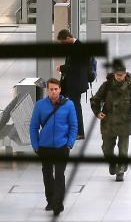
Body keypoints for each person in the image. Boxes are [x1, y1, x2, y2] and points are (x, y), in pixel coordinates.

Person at [89, 62, 131, 182]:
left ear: (125, 74)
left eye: (121, 75)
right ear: (114, 74)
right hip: (108, 122)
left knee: (123, 149)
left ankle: (121, 170)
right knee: (107, 149)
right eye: (117, 75)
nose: (119, 77)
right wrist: (97, 112)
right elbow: (95, 99)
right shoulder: (106, 85)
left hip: (124, 121)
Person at [29, 78, 77, 215]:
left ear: (60, 89)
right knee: (48, 174)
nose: (54, 91)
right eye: (51, 89)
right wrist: (36, 146)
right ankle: (50, 200)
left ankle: (58, 204)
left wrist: (69, 144)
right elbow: (33, 127)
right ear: (47, 90)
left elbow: (74, 126)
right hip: (45, 147)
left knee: (60, 175)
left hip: (62, 147)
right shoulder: (40, 105)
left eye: (56, 89)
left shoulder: (69, 105)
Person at [55, 29, 91, 140]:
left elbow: (75, 67)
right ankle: (75, 131)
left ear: (68, 38)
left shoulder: (78, 47)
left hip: (76, 84)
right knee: (73, 106)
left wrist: (62, 68)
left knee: (75, 107)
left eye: (63, 42)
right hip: (73, 82)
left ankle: (79, 133)